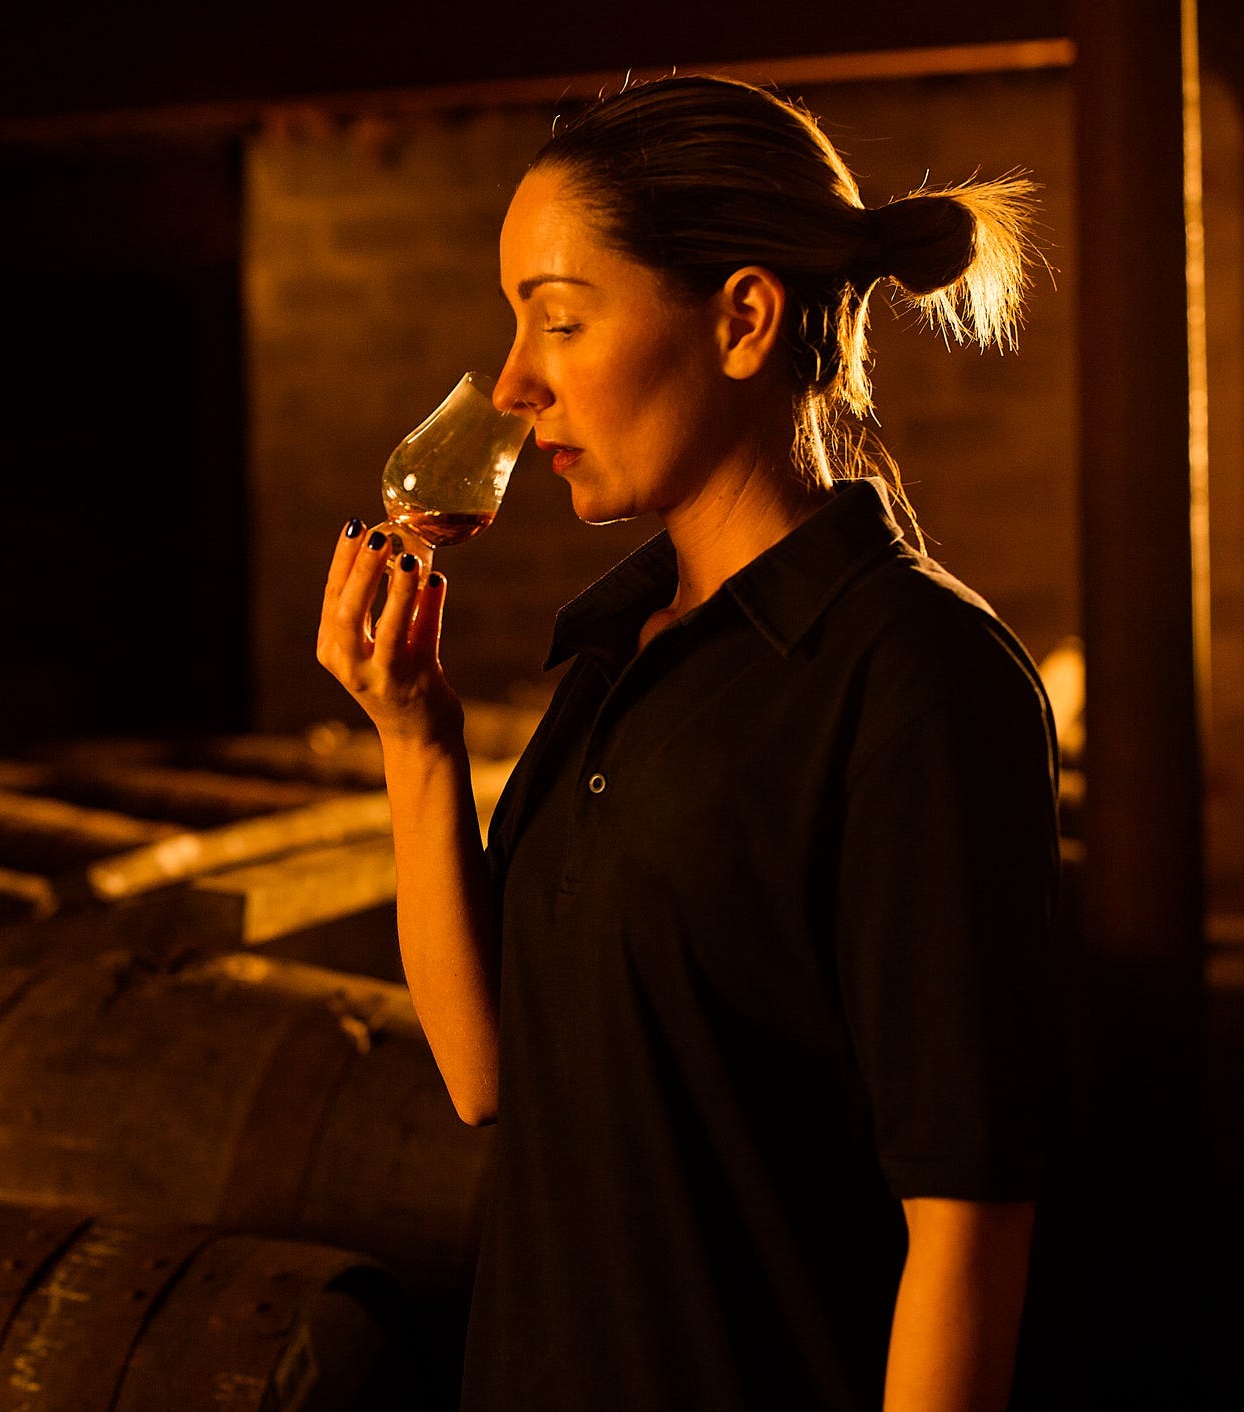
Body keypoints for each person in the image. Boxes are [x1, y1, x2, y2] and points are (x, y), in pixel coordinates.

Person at [317, 75, 1057, 1411]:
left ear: (742, 319)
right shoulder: (617, 651)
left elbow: (968, 1220)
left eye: (558, 320)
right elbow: (492, 1079)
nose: (512, 384)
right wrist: (414, 740)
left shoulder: (914, 676)